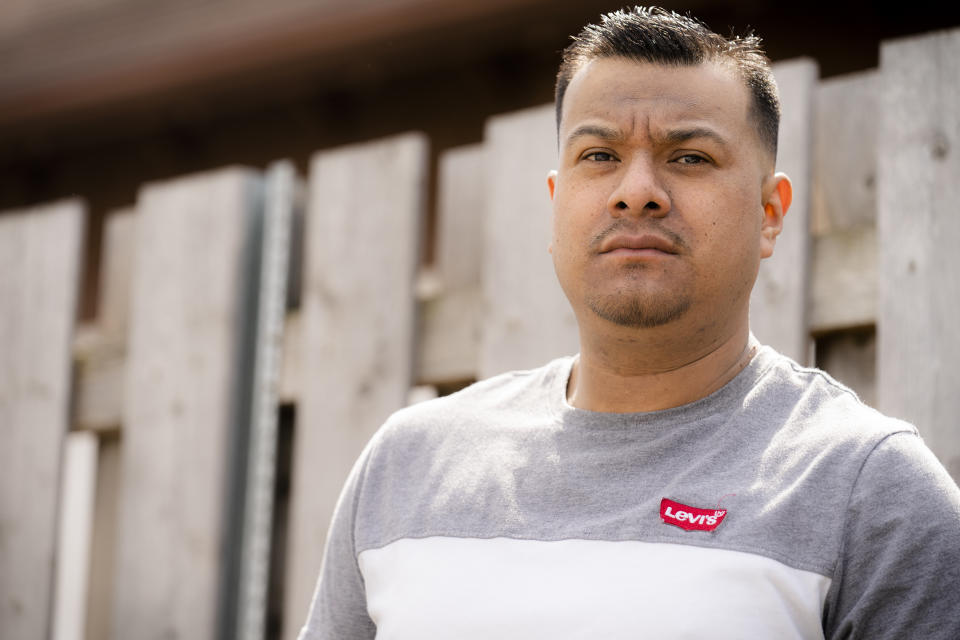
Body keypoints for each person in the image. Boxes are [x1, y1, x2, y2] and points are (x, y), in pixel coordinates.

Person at [298, 7, 960, 639]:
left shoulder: (869, 490)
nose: (636, 188)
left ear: (770, 212)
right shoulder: (407, 464)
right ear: (557, 203)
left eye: (689, 156)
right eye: (599, 155)